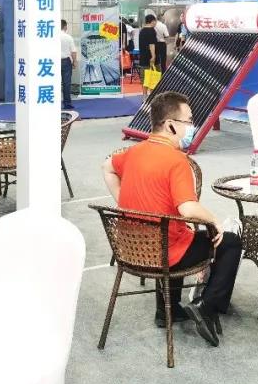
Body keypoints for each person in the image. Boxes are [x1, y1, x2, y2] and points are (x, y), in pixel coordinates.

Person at [102, 92, 243, 345]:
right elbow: (188, 208)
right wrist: (214, 221)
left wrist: (122, 201)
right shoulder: (177, 161)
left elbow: (107, 167)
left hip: (131, 250)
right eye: (188, 121)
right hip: (166, 254)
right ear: (170, 125)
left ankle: (166, 310)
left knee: (179, 231)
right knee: (229, 241)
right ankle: (207, 306)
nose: (191, 127)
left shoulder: (134, 152)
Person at [138, 14, 158, 96]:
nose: (156, 23)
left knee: (145, 79)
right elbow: (152, 44)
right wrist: (153, 56)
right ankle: (152, 96)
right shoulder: (152, 30)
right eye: (155, 21)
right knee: (153, 78)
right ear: (152, 21)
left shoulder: (142, 31)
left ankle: (144, 97)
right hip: (150, 58)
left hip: (143, 58)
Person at [60, 19, 77, 110]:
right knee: (66, 83)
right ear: (65, 26)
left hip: (52, 62)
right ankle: (67, 104)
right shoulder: (68, 37)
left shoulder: (51, 37)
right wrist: (74, 61)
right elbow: (73, 51)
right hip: (66, 61)